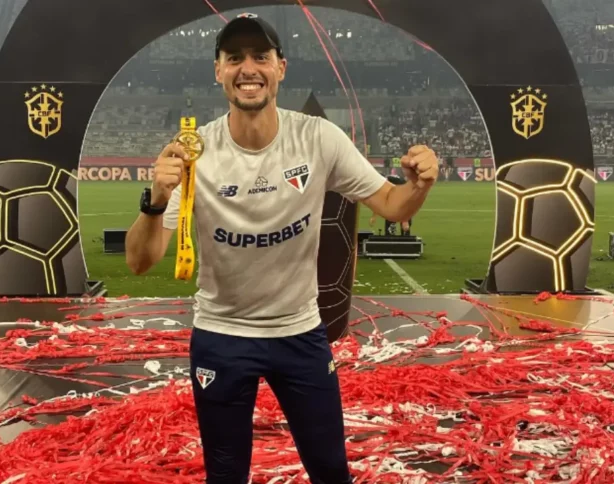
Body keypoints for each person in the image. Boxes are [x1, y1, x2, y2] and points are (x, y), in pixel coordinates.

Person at [124, 13, 439, 484]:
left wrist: (419, 184)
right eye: (235, 58)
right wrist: (156, 202)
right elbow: (139, 260)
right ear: (218, 71)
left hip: (299, 333)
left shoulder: (317, 138)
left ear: (281, 68)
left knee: (331, 469)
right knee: (226, 474)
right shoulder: (194, 152)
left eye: (260, 57)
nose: (248, 68)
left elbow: (393, 205)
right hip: (222, 334)